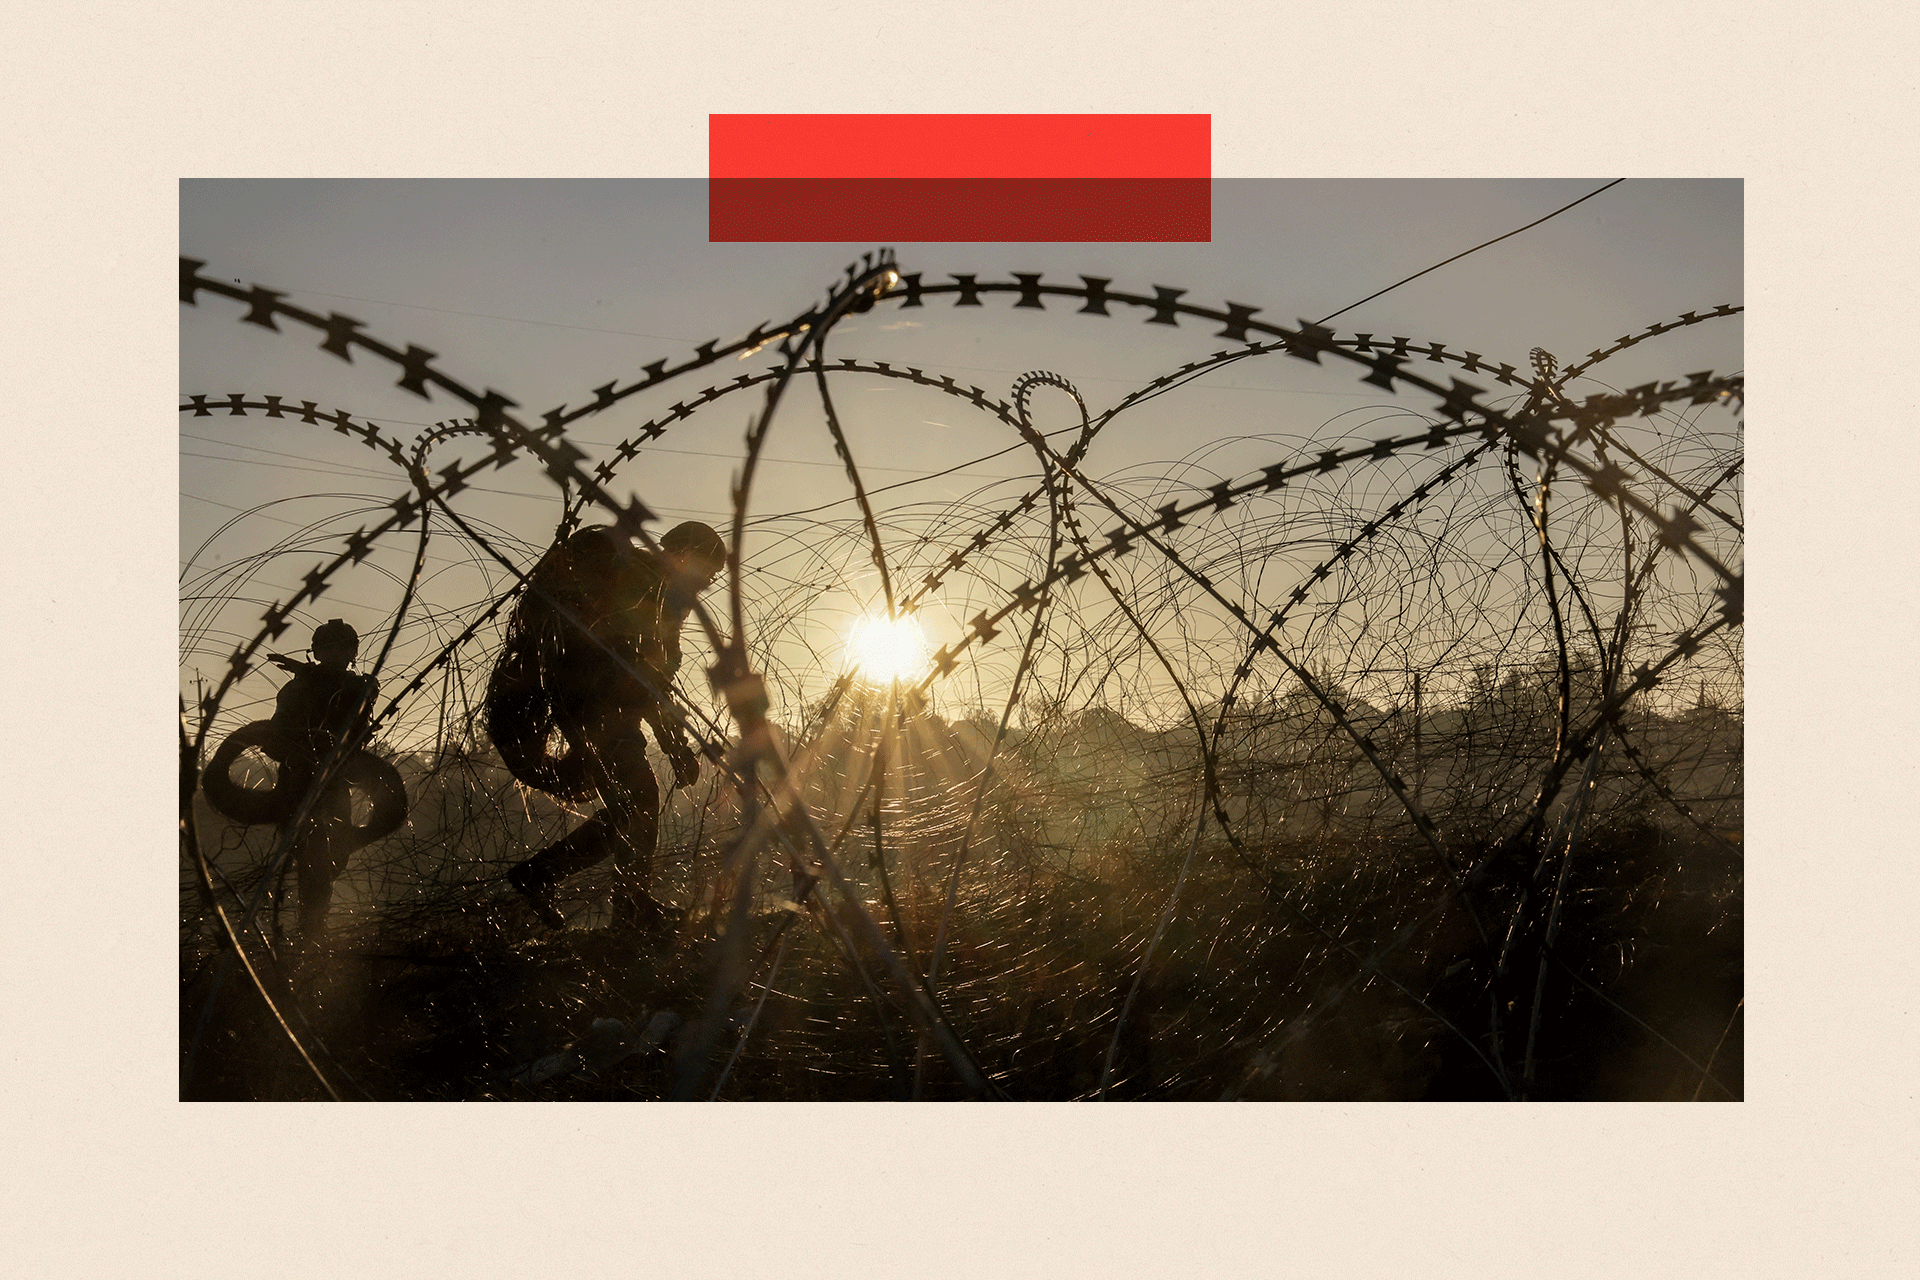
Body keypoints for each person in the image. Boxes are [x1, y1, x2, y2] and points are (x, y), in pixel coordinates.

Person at [491, 521, 727, 931]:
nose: (706, 582)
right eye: (706, 571)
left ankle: (545, 876)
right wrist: (674, 745)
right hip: (594, 708)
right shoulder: (642, 581)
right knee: (639, 797)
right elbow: (643, 672)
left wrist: (674, 743)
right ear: (685, 555)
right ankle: (627, 908)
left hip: (601, 707)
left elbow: (652, 679)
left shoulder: (660, 589)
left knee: (630, 806)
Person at [265, 618, 380, 942]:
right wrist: (295, 752)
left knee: (333, 854)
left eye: (341, 648)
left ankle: (313, 923)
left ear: (351, 652)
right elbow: (277, 735)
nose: (335, 655)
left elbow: (360, 701)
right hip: (300, 780)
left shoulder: (358, 687)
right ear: (317, 652)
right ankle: (310, 926)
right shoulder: (297, 688)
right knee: (309, 855)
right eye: (328, 649)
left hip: (335, 781)